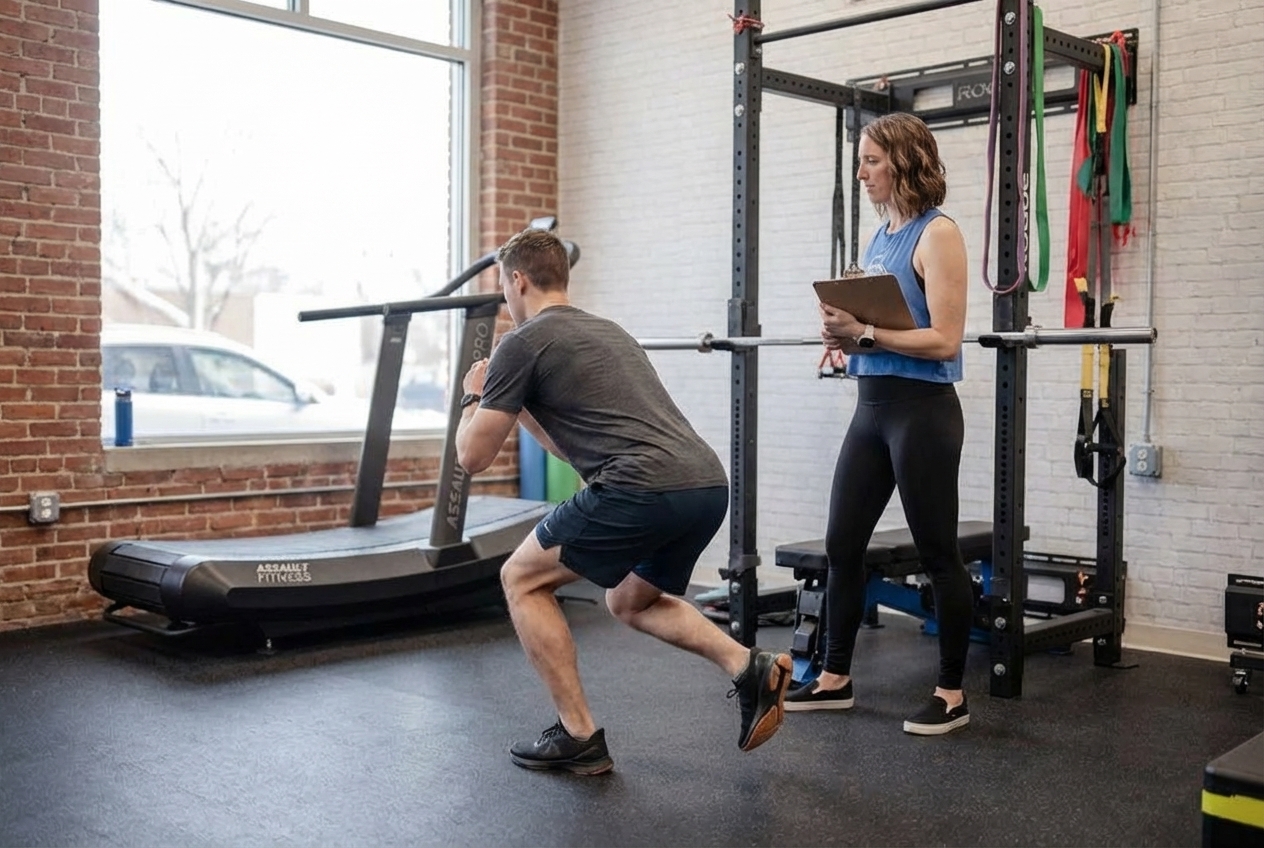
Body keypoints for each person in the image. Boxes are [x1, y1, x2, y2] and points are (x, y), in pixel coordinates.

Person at [455, 227, 793, 774]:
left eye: (503, 287)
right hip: (704, 485)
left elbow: (471, 458)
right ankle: (747, 665)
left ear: (517, 280)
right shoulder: (608, 332)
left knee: (521, 578)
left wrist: (475, 392)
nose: (506, 299)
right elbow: (572, 449)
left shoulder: (522, 341)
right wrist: (509, 402)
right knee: (629, 601)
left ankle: (578, 734)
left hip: (641, 487)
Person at [784, 112, 973, 735]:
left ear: (904, 162)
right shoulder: (879, 239)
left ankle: (951, 693)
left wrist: (864, 331)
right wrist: (845, 340)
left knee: (939, 553)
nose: (861, 172)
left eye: (870, 161)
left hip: (922, 413)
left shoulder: (936, 234)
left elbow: (945, 340)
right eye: (860, 161)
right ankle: (834, 676)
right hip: (871, 409)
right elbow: (882, 329)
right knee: (842, 546)